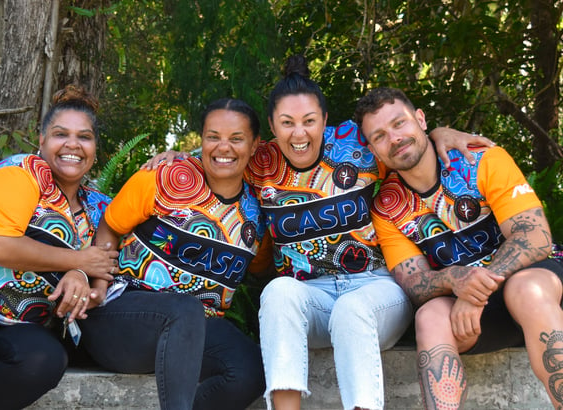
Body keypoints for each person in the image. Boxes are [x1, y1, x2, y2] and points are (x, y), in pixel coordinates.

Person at [145, 56, 494, 410]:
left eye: (309, 121)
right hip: (311, 298)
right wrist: (175, 156)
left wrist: (439, 133)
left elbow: (406, 145)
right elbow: (217, 153)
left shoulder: (357, 147)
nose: (299, 133)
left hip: (375, 291)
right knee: (278, 290)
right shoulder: (259, 160)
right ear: (271, 127)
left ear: (325, 122)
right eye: (287, 123)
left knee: (352, 309)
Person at [355, 86, 563, 409]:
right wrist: (455, 280)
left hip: (535, 288)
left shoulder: (481, 160)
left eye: (399, 123)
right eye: (379, 135)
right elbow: (414, 283)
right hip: (474, 318)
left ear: (421, 120)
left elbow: (535, 236)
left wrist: (476, 289)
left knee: (526, 288)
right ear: (373, 149)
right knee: (429, 316)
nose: (394, 138)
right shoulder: (386, 207)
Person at [78, 98, 267, 410]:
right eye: (213, 137)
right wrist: (99, 282)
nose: (224, 148)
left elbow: (261, 269)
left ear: (255, 144)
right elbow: (110, 227)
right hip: (120, 320)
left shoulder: (258, 215)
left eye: (236, 139)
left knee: (250, 370)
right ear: (201, 140)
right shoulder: (164, 178)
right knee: (184, 309)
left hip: (196, 332)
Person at [0, 85, 118, 409]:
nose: (72, 144)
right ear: (41, 141)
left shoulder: (99, 207)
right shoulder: (19, 174)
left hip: (21, 321)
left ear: (95, 147)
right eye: (60, 134)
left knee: (44, 359)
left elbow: (101, 265)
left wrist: (84, 281)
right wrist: (78, 261)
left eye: (84, 137)